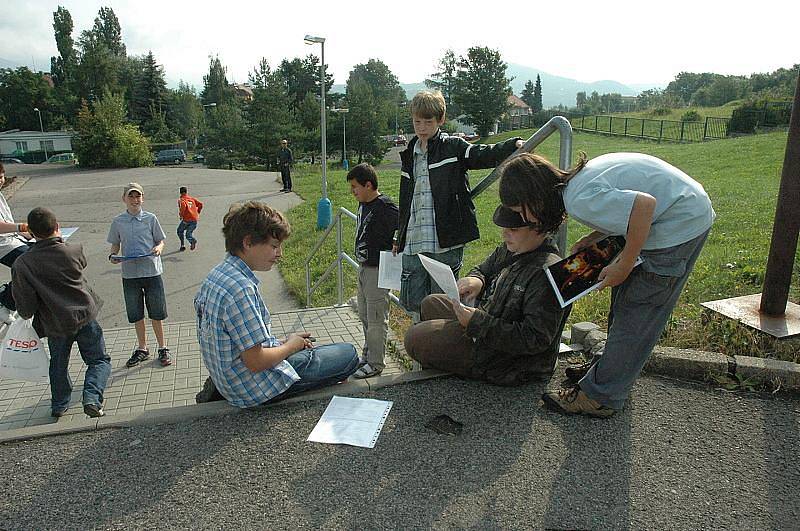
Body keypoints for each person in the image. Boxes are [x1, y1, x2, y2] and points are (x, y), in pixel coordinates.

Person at [499, 152, 715, 417]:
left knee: (637, 309)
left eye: (521, 210)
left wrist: (625, 263)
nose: (526, 219)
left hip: (679, 225)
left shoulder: (579, 201)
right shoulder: (577, 183)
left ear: (534, 197)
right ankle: (610, 373)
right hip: (683, 210)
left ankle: (600, 395)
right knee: (626, 304)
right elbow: (627, 205)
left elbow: (644, 206)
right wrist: (596, 235)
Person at [194, 201, 359, 408]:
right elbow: (256, 362)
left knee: (307, 349)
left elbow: (238, 341)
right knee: (348, 354)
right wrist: (291, 346)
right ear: (248, 242)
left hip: (228, 377)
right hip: (255, 388)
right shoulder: (241, 289)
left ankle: (219, 388)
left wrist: (283, 343)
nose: (279, 254)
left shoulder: (217, 275)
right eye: (274, 246)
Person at [394, 90, 524, 319]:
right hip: (415, 240)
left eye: (428, 121)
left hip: (445, 240)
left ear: (440, 120)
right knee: (414, 305)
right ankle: (421, 348)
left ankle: (439, 351)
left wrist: (513, 145)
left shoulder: (453, 147)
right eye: (417, 122)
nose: (422, 127)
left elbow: (482, 154)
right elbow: (406, 201)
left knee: (442, 307)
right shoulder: (409, 154)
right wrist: (399, 235)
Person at [404, 205, 565, 386]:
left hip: (508, 362)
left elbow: (534, 339)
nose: (505, 234)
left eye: (513, 229)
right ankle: (451, 360)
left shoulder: (548, 273)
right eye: (504, 228)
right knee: (431, 303)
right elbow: (483, 269)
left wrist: (476, 322)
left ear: (538, 229)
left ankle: (456, 374)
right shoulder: (512, 248)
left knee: (414, 338)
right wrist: (476, 280)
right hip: (487, 324)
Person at [12, 207, 111, 418]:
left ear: (30, 232)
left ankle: (59, 405)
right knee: (99, 360)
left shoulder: (23, 264)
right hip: (85, 315)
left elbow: (26, 308)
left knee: (58, 364)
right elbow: (81, 264)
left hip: (55, 323)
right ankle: (92, 398)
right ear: (57, 227)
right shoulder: (73, 250)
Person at [107, 182, 172, 368]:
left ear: (142, 198)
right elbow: (115, 245)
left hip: (151, 271)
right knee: (136, 314)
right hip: (130, 274)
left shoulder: (151, 219)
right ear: (124, 199)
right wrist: (113, 256)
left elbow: (160, 240)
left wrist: (158, 248)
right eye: (131, 196)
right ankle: (143, 348)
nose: (135, 200)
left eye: (138, 196)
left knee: (157, 313)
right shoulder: (118, 221)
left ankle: (163, 347)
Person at [347, 163, 399, 379]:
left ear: (368, 185)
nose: (353, 192)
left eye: (355, 187)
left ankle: (376, 363)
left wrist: (398, 241)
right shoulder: (363, 204)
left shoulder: (385, 206)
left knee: (377, 318)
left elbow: (405, 223)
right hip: (364, 268)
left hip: (378, 270)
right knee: (366, 315)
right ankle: (368, 355)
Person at [0, 162, 33, 324]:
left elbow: (8, 222)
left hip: (13, 239)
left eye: (1, 176)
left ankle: (8, 297)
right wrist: (21, 226)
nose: (1, 180)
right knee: (29, 264)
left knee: (47, 251)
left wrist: (32, 234)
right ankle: (4, 299)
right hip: (3, 245)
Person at [177, 186, 204, 251]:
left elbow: (183, 207)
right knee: (188, 234)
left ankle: (183, 244)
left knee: (179, 231)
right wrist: (198, 212)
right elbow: (200, 204)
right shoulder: (191, 199)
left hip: (186, 220)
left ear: (180, 193)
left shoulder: (181, 200)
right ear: (186, 192)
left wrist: (181, 215)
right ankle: (191, 240)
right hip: (194, 219)